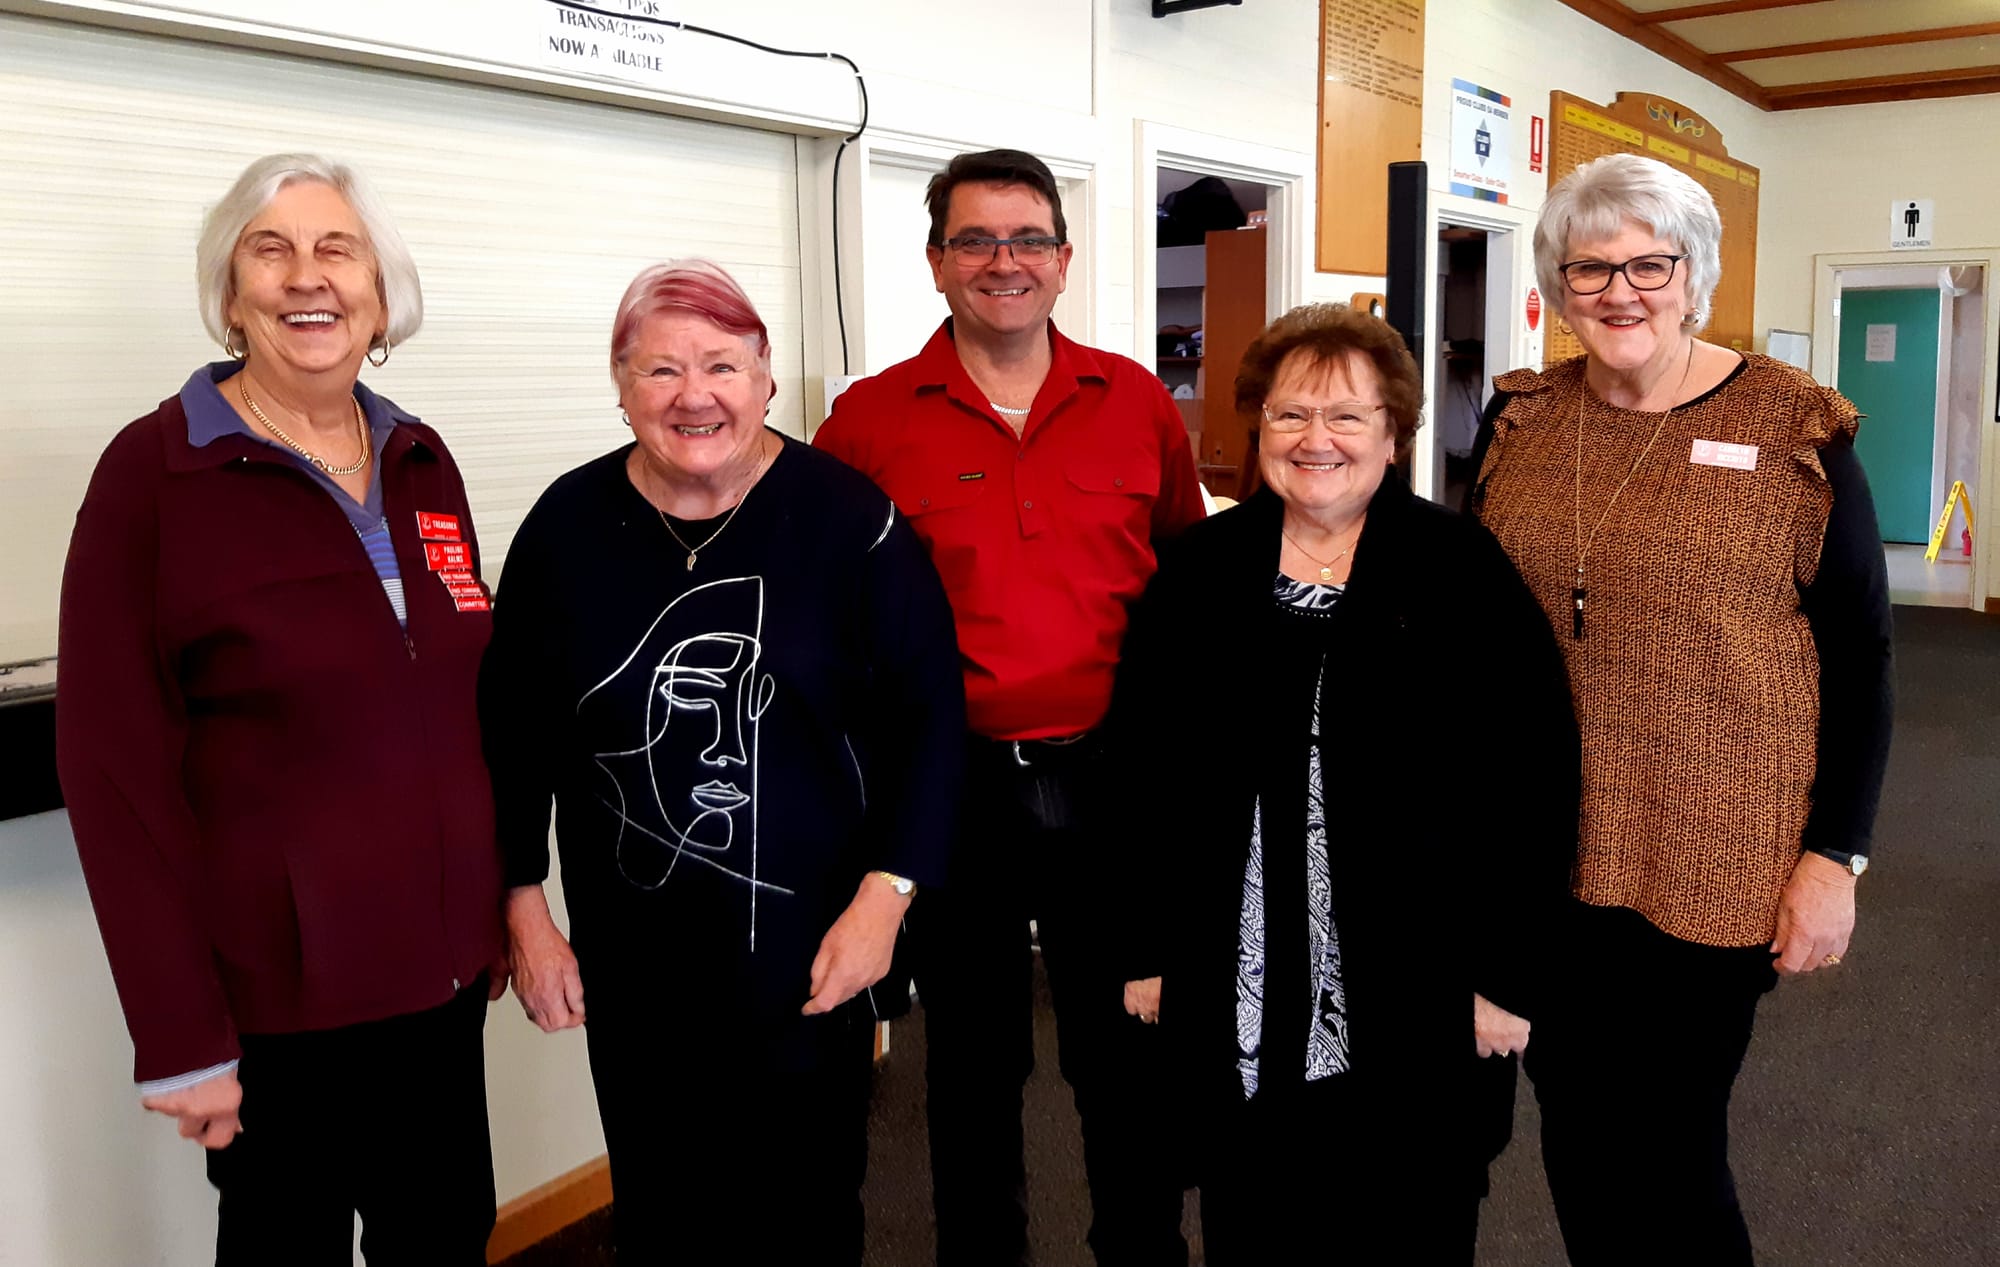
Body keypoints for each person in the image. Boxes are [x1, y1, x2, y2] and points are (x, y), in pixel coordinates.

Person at [55, 153, 504, 1265]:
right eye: (272, 248)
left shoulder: (419, 455)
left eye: (336, 249)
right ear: (229, 296)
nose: (309, 276)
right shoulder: (152, 475)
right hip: (278, 1001)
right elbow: (114, 774)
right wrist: (177, 1036)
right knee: (283, 1248)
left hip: (441, 978)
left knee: (445, 1237)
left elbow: (452, 696)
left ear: (379, 295)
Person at [483, 259, 963, 1265]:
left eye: (721, 366)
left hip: (812, 949)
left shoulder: (850, 523)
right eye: (659, 370)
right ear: (619, 385)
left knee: (808, 1212)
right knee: (661, 1211)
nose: (693, 395)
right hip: (633, 958)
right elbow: (514, 729)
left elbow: (928, 717)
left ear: (766, 379)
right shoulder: (564, 531)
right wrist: (521, 905)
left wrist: (887, 898)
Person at [1469, 152, 1895, 1265]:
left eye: (1647, 264)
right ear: (1556, 288)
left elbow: (1860, 657)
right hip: (1543, 854)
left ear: (1692, 275)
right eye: (1588, 268)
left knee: (1666, 1143)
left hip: (1711, 852)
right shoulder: (1518, 418)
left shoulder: (1791, 429)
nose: (1619, 292)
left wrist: (1831, 857)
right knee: (1572, 1127)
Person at [1106, 303, 1578, 1264]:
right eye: (1289, 416)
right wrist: (1148, 945)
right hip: (1239, 971)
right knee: (1251, 1215)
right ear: (1258, 428)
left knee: (1410, 1219)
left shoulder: (1458, 567)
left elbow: (1534, 778)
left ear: (1394, 435)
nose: (1315, 441)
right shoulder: (1201, 567)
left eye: (1347, 417)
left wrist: (1505, 973)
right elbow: (1142, 768)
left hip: (1419, 978)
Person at [813, 148, 1206, 1267]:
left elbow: (1185, 578)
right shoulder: (870, 420)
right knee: (973, 1069)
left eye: (1027, 238)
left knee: (1123, 1055)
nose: (1003, 262)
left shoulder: (1132, 400)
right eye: (975, 240)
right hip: (955, 788)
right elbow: (834, 614)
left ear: (1064, 260)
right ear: (936, 261)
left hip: (1112, 781)